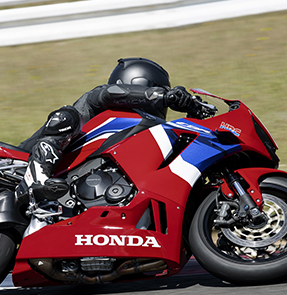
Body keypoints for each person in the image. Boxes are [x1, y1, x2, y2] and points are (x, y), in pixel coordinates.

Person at [15, 57, 195, 206]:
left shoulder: (139, 133)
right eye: (161, 90)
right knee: (67, 116)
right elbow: (111, 92)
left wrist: (192, 109)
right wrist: (161, 95)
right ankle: (35, 179)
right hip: (21, 160)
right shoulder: (98, 99)